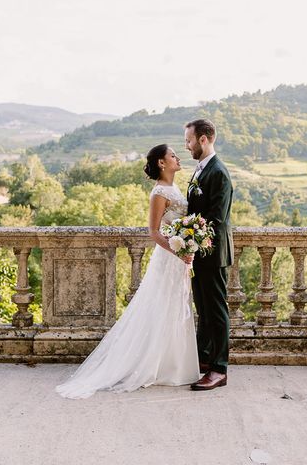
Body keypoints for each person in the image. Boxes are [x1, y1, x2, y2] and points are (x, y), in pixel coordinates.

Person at [55, 144, 200, 399]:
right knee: (162, 308)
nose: (178, 158)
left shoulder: (176, 187)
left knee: (177, 308)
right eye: (173, 155)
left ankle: (175, 365)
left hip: (178, 258)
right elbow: (154, 232)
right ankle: (157, 366)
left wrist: (188, 242)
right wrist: (178, 250)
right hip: (168, 258)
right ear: (161, 163)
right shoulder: (159, 192)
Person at [184, 119, 234, 391]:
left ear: (203, 139)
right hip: (199, 252)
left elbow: (216, 219)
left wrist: (189, 235)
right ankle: (204, 360)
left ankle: (219, 369)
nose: (186, 145)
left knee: (216, 311)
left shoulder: (219, 173)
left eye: (189, 140)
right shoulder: (200, 170)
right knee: (203, 309)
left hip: (213, 253)